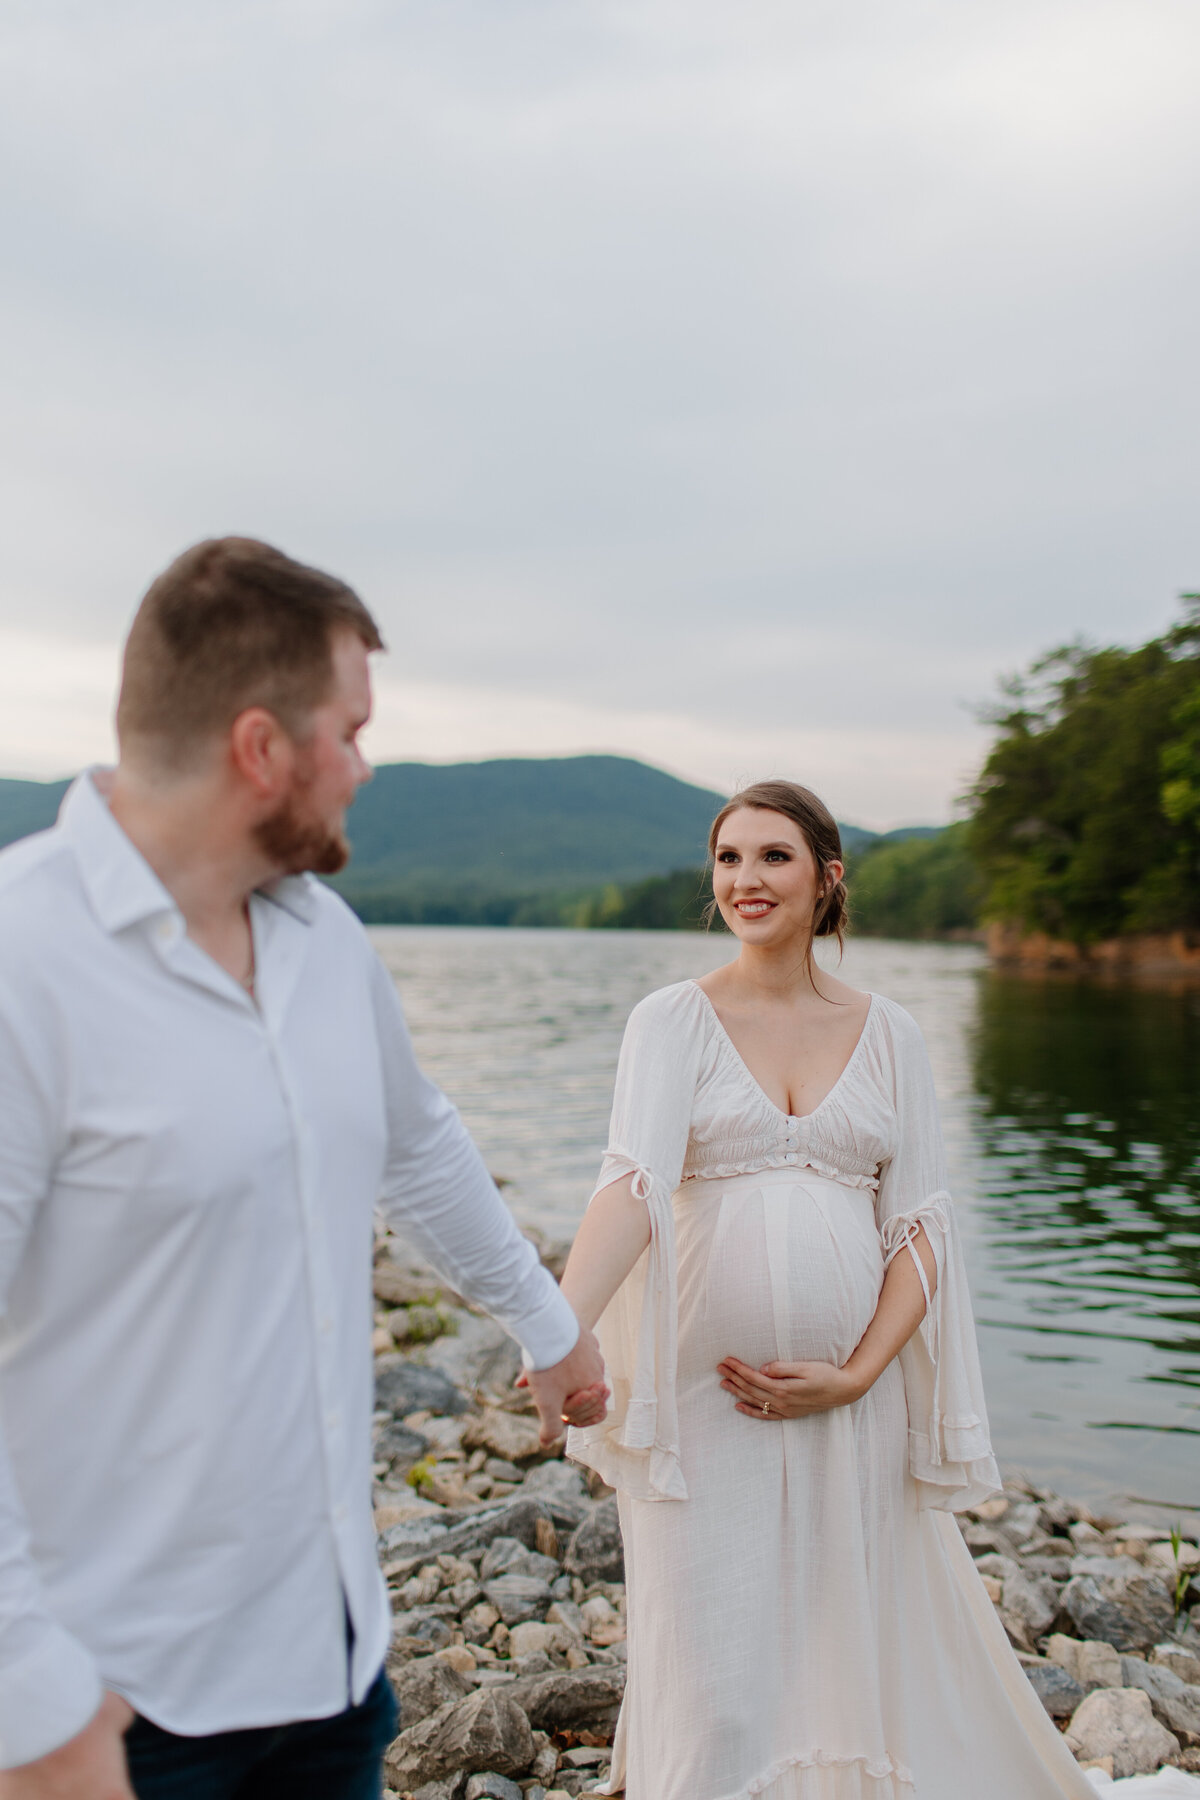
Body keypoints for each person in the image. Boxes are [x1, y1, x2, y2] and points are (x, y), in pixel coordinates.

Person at [0, 538, 604, 1800]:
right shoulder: (25, 961)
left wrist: (548, 1323)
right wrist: (36, 1714)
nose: (370, 767)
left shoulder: (325, 940)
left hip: (330, 1666)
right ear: (261, 748)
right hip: (114, 1702)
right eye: (354, 730)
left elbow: (415, 1140)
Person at [557, 780, 1184, 1800]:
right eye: (728, 859)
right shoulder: (669, 1021)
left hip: (855, 1399)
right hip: (708, 1391)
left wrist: (857, 1373)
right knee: (708, 1633)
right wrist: (561, 1331)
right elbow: (629, 1191)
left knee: (844, 1631)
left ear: (827, 878)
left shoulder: (890, 1031)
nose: (745, 880)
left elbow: (923, 1230)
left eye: (773, 857)